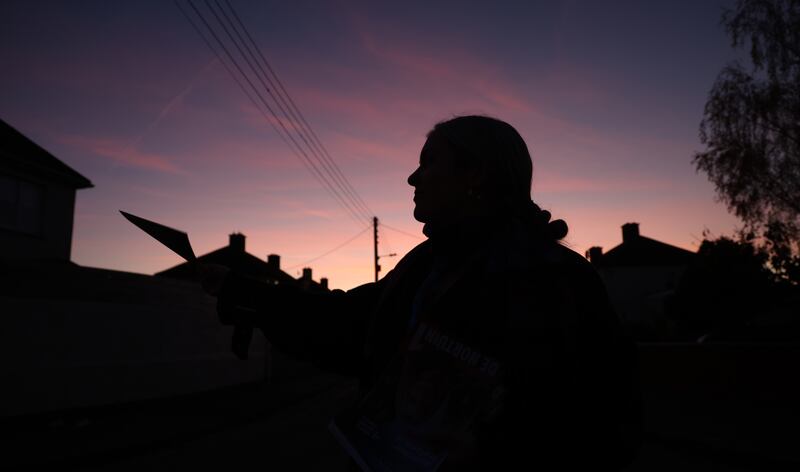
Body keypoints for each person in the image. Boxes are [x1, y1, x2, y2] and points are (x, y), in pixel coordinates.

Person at [203, 115, 642, 470]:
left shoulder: (561, 280)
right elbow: (352, 324)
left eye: (430, 162)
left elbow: (602, 420)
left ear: (476, 173)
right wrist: (243, 291)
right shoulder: (425, 264)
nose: (413, 177)